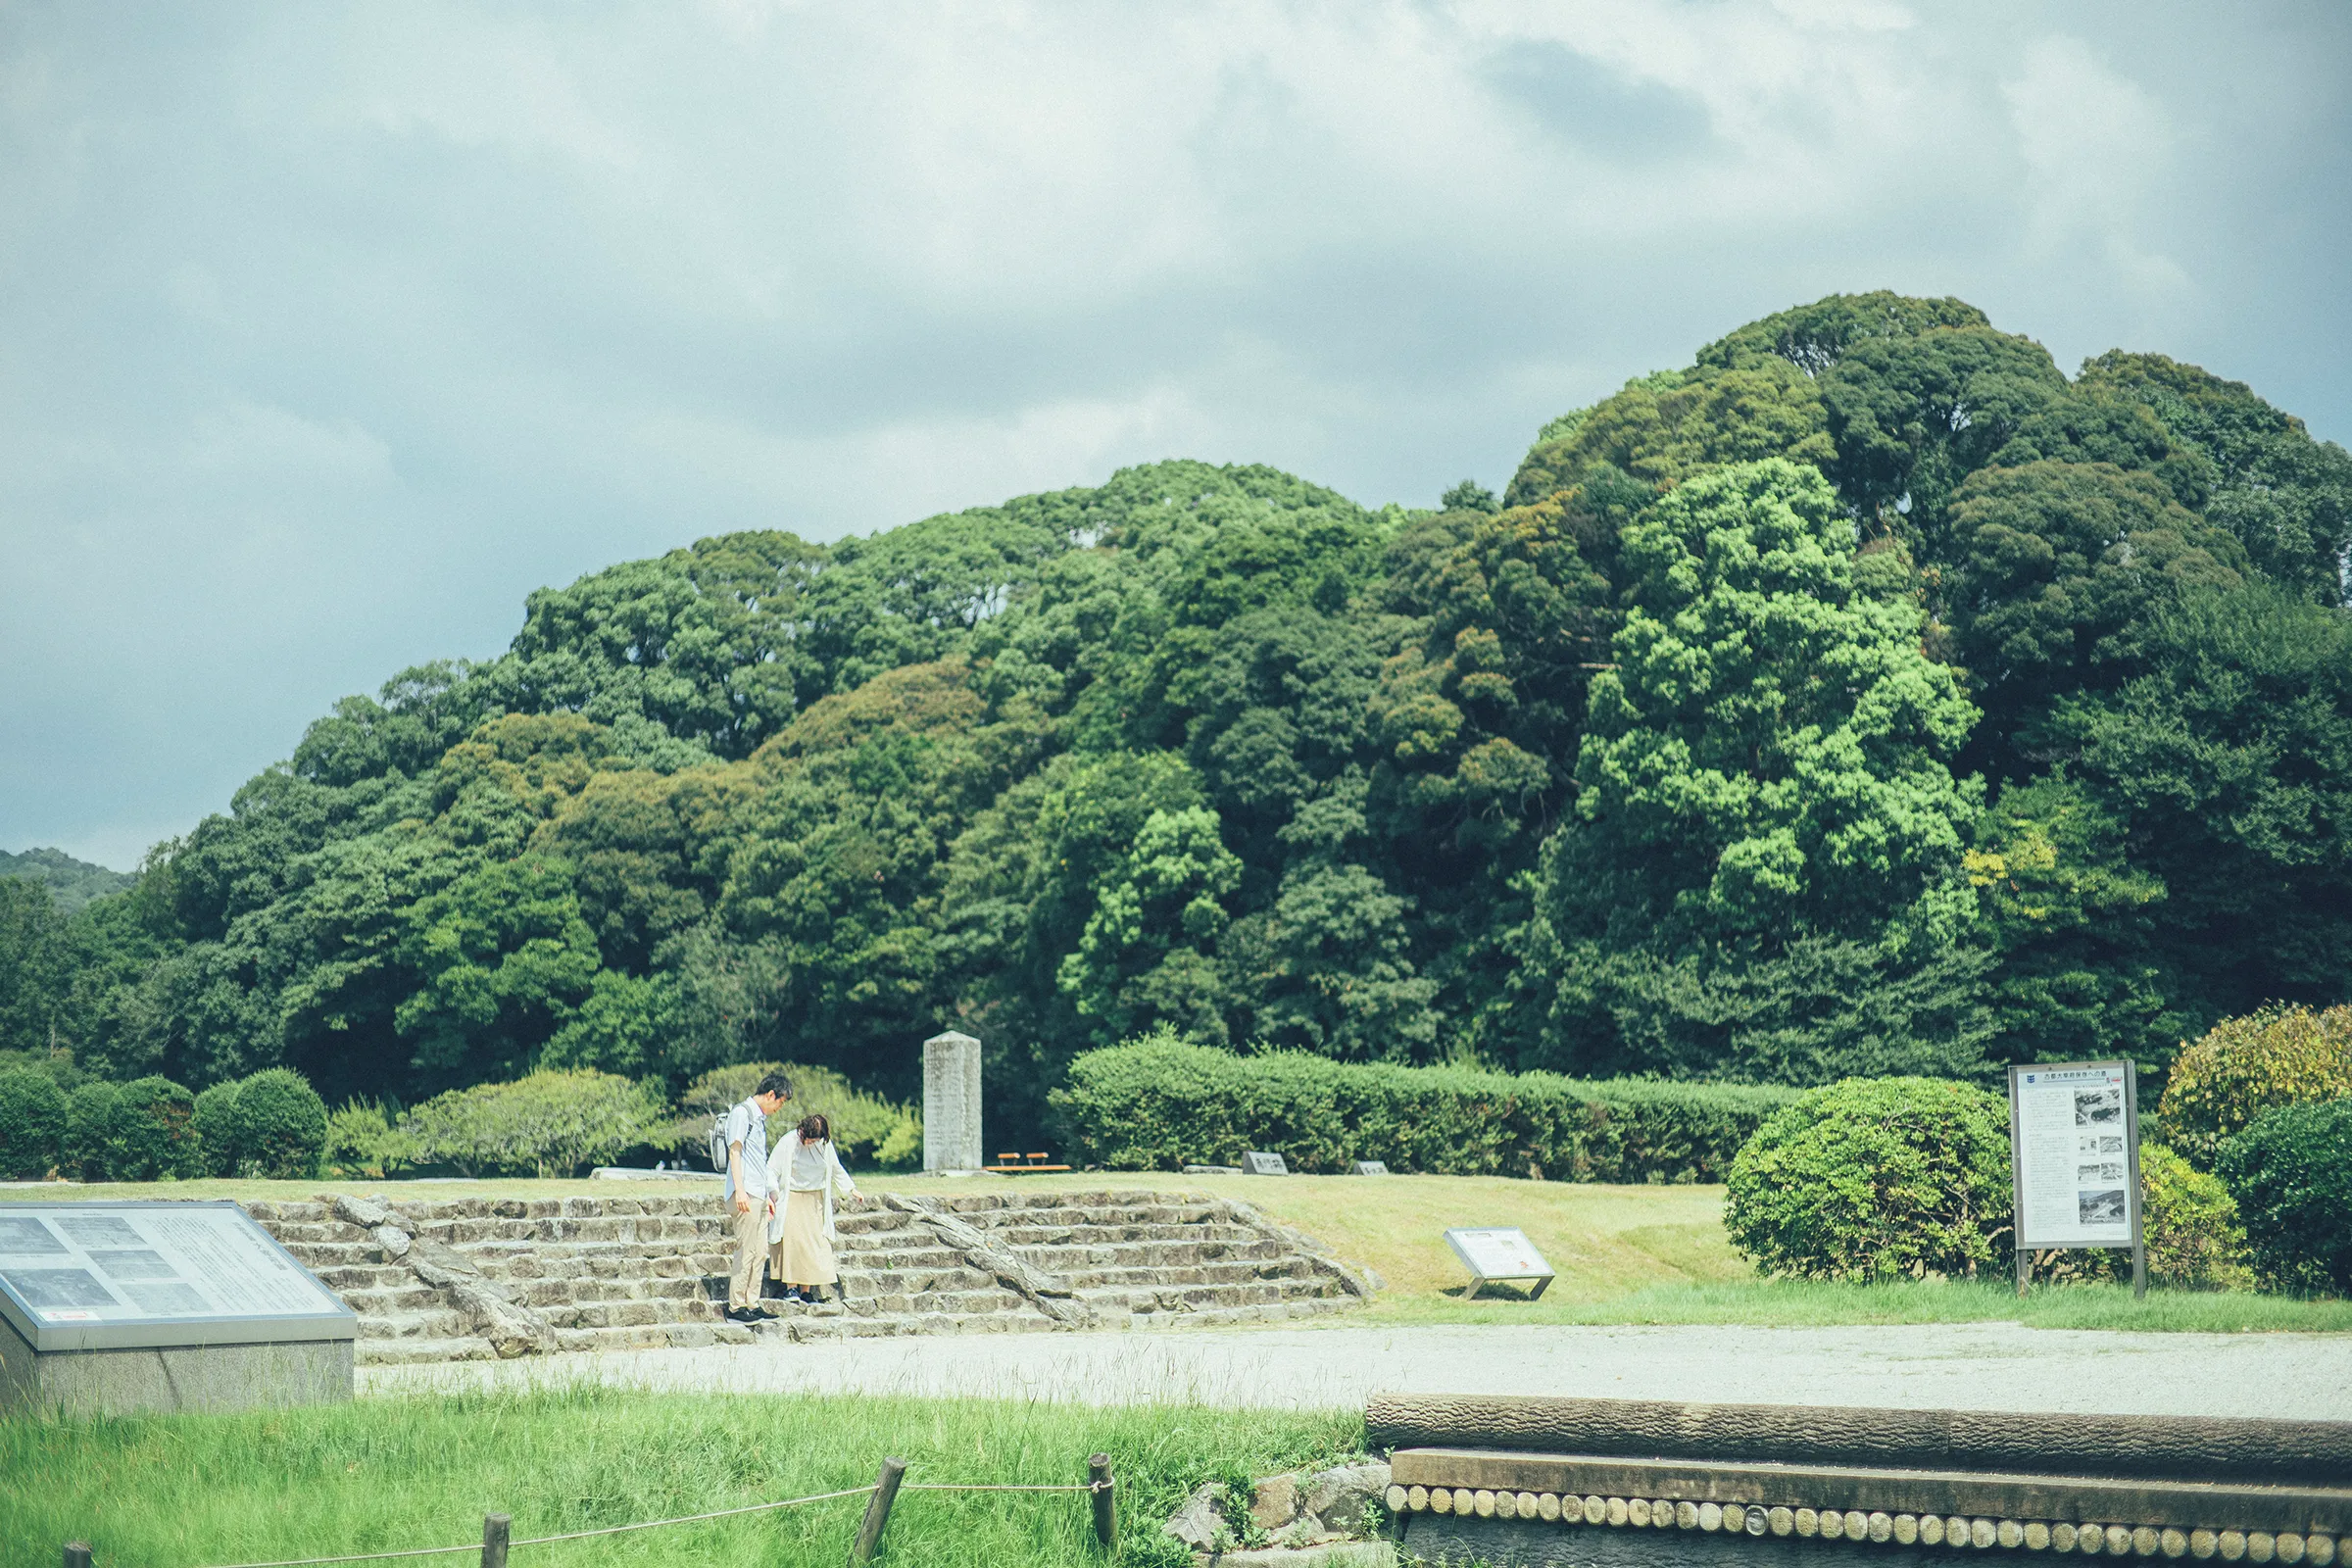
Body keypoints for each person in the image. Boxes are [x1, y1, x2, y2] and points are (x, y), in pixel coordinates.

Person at [766, 1111, 858, 1304]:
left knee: (813, 1243)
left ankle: (806, 1289)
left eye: (814, 1140)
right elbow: (771, 1169)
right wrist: (773, 1193)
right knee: (793, 1242)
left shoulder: (824, 1145)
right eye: (808, 1139)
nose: (810, 1143)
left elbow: (835, 1167)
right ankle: (791, 1288)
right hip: (792, 1197)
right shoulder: (788, 1141)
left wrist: (851, 1189)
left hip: (815, 1199)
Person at [723, 1071, 793, 1323]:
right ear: (771, 1094)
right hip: (746, 1193)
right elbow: (735, 1151)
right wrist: (740, 1190)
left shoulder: (759, 1119)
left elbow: (759, 1162)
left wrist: (769, 1194)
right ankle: (736, 1305)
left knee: (761, 1250)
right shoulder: (742, 1113)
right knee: (747, 1250)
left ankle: (752, 1302)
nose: (779, 1108)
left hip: (759, 1193)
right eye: (780, 1102)